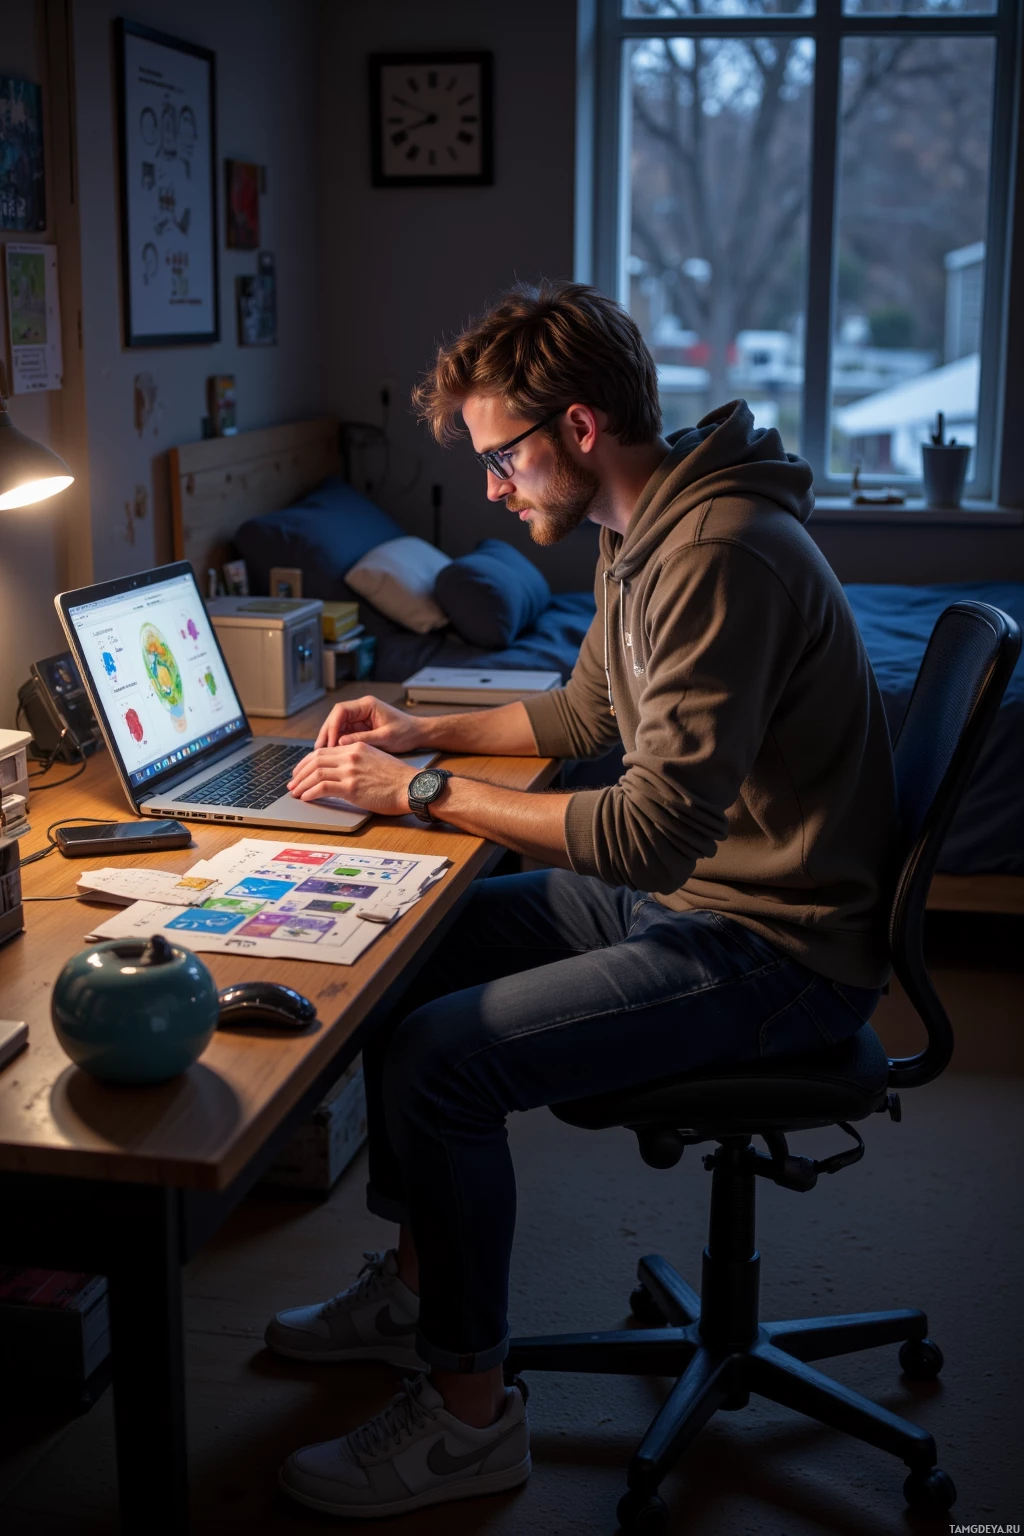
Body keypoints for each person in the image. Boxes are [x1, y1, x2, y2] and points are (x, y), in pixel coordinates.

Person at [270, 281, 898, 1520]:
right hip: (714, 902)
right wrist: (420, 724)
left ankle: (466, 1419)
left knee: (440, 1063)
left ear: (577, 428)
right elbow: (589, 716)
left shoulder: (714, 552)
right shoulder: (641, 525)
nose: (494, 491)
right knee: (415, 959)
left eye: (502, 459)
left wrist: (421, 790)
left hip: (775, 947)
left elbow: (651, 831)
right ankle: (417, 1284)